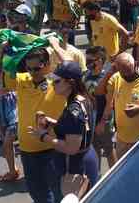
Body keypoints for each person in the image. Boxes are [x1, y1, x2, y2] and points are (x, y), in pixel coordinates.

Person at [0, 44, 66, 203]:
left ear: (47, 65)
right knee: (37, 194)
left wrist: (55, 46)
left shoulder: (58, 83)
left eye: (37, 68)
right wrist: (0, 51)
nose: (32, 73)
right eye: (29, 68)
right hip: (27, 151)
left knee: (59, 192)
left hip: (52, 147)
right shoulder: (22, 80)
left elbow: (73, 69)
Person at [29, 62, 99, 196]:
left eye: (56, 81)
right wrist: (54, 123)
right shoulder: (83, 99)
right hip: (86, 157)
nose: (52, 84)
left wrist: (43, 136)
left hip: (76, 166)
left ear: (70, 83)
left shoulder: (74, 110)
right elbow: (78, 129)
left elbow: (71, 148)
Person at [83, 47, 117, 170]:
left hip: (104, 120)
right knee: (94, 148)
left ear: (101, 60)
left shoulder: (108, 78)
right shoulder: (86, 76)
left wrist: (102, 123)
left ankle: (114, 174)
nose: (88, 63)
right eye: (87, 60)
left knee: (108, 150)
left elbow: (110, 103)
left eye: (92, 60)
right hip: (91, 120)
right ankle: (95, 176)